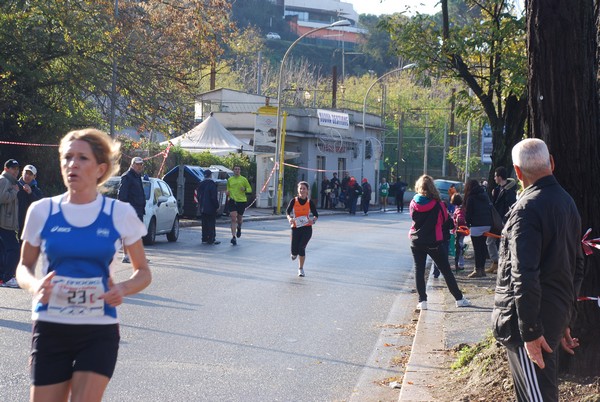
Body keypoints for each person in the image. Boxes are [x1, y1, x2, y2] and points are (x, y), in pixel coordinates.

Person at [15, 128, 152, 402]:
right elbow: (23, 268)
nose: (72, 164)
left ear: (101, 168)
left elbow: (144, 272)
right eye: (67, 157)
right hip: (50, 325)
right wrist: (35, 284)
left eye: (82, 158)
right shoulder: (42, 210)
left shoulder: (118, 212)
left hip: (97, 328)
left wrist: (122, 289)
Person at [491, 138, 584, 402]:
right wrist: (566, 317)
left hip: (530, 325)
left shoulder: (526, 209)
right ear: (551, 163)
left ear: (517, 172)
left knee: (536, 397)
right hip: (551, 317)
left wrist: (530, 332)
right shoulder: (567, 202)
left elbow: (524, 275)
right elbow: (577, 266)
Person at [408, 175, 471, 311]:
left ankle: (422, 301)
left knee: (419, 270)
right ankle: (459, 299)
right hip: (434, 242)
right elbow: (447, 222)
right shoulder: (439, 204)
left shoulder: (413, 203)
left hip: (416, 241)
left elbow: (413, 218)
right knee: (446, 270)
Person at [485, 166, 517, 274]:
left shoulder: (509, 191)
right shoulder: (498, 189)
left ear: (499, 177)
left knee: (497, 242)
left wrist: (505, 220)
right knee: (491, 241)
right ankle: (496, 262)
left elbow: (510, 207)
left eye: (495, 176)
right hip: (496, 220)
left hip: (502, 221)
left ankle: (498, 264)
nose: (494, 178)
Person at [286, 181, 318, 277]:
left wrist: (313, 220)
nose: (302, 190)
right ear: (298, 190)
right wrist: (290, 219)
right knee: (294, 251)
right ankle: (294, 253)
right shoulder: (294, 201)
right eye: (300, 188)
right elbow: (287, 211)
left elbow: (316, 215)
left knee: (301, 248)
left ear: (307, 191)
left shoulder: (309, 202)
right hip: (296, 228)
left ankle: (300, 269)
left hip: (307, 229)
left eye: (304, 188)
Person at [117, 156, 146, 263]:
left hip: (138, 209)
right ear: (132, 164)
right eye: (137, 164)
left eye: (141, 164)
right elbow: (122, 195)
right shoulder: (127, 176)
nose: (139, 166)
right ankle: (126, 256)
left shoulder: (137, 176)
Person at [463, 178, 492, 278]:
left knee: (477, 248)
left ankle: (477, 270)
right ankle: (482, 270)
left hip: (476, 225)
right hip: (487, 224)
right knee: (483, 247)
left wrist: (468, 223)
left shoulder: (471, 197)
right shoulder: (485, 195)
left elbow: (469, 213)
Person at [0, 159, 21, 288]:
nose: (16, 171)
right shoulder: (4, 180)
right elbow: (2, 197)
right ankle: (8, 277)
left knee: (4, 250)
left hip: (6, 222)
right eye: (13, 168)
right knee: (13, 249)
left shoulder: (11, 181)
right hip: (4, 222)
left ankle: (3, 277)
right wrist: (14, 191)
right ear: (6, 169)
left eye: (17, 169)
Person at [226, 165, 252, 246]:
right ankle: (233, 237)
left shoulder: (244, 179)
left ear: (240, 171)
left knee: (239, 219)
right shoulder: (230, 180)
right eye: (235, 169)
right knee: (233, 218)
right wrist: (227, 193)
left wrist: (245, 189)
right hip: (232, 201)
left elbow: (250, 189)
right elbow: (228, 189)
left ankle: (239, 228)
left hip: (241, 201)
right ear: (233, 170)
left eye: (238, 169)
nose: (237, 170)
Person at [17, 164, 43, 240]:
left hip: (29, 225)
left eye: (30, 174)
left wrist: (30, 193)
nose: (27, 176)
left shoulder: (37, 191)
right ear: (22, 173)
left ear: (34, 176)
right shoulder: (15, 185)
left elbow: (40, 206)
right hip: (13, 224)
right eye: (26, 173)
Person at [197, 169, 220, 245]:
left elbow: (198, 195)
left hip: (202, 207)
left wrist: (200, 204)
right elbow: (214, 197)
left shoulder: (200, 184)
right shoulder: (212, 184)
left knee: (204, 223)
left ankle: (204, 238)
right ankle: (211, 238)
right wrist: (217, 206)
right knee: (211, 223)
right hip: (210, 207)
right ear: (210, 175)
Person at [450, 193, 466, 272]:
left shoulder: (459, 209)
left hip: (459, 231)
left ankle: (460, 265)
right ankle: (459, 264)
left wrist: (456, 222)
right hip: (461, 231)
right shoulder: (460, 207)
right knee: (459, 247)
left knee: (458, 248)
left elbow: (460, 219)